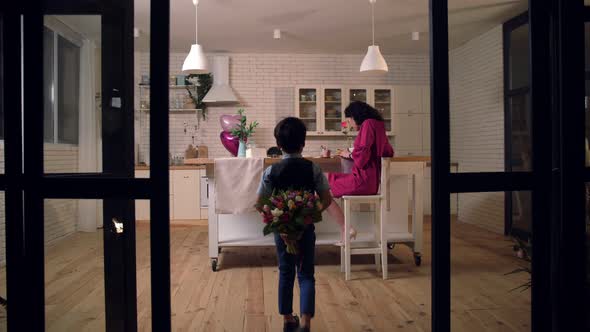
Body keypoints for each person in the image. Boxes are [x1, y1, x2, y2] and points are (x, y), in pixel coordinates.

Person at [256, 117, 332, 332]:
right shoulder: (314, 169)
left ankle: (288, 319)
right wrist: (308, 217)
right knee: (306, 273)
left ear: (278, 145)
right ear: (304, 142)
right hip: (306, 230)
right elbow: (326, 199)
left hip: (282, 233)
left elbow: (259, 203)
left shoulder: (271, 172)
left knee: (286, 271)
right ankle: (306, 321)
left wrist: (277, 222)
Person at [326, 101, 394, 244]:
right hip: (370, 181)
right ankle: (346, 228)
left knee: (321, 190)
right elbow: (388, 151)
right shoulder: (378, 125)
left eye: (349, 120)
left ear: (354, 116)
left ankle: (346, 228)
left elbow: (361, 159)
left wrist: (349, 154)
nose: (349, 124)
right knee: (324, 180)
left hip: (362, 181)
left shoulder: (368, 124)